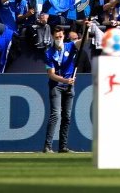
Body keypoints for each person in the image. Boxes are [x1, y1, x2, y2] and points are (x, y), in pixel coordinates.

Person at [43, 23, 78, 153]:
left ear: (64, 36)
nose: (59, 38)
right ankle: (47, 146)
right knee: (55, 114)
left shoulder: (70, 46)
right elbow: (51, 74)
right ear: (52, 36)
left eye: (61, 36)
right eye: (56, 36)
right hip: (56, 86)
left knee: (67, 116)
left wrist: (87, 28)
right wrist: (65, 80)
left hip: (69, 87)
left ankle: (63, 146)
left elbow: (81, 43)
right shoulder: (48, 53)